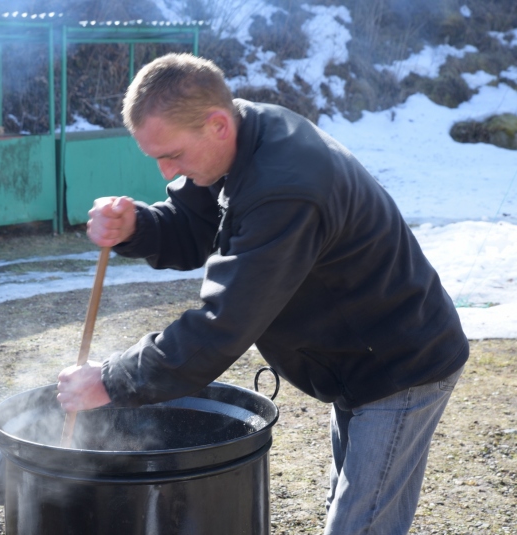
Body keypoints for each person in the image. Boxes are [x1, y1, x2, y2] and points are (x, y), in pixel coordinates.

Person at [57, 53, 468, 535]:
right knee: (353, 507)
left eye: (173, 155)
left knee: (361, 524)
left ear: (216, 125)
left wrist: (111, 380)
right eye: (157, 158)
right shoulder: (241, 136)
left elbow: (224, 323)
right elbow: (195, 225)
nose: (167, 174)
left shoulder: (286, 187)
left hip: (401, 363)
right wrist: (137, 226)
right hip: (355, 358)